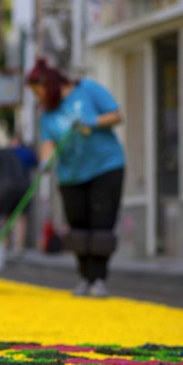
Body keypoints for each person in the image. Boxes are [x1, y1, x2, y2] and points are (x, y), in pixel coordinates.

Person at [26, 58, 124, 298]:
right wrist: (45, 162)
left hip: (105, 167)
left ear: (48, 84)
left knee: (101, 227)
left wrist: (93, 122)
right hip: (71, 175)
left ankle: (99, 279)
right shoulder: (47, 115)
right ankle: (84, 277)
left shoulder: (87, 89)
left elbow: (116, 115)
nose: (38, 98)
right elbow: (48, 143)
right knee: (77, 230)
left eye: (38, 92)